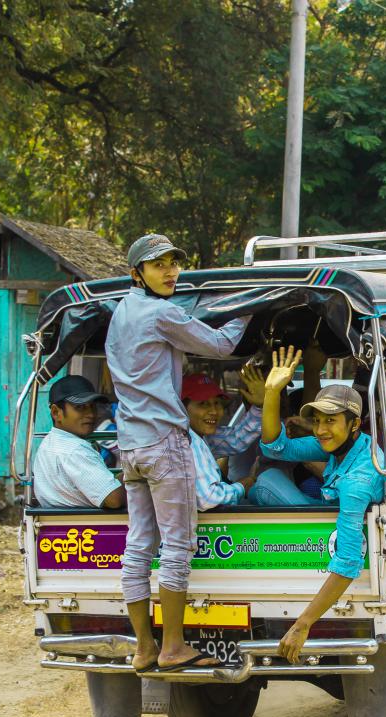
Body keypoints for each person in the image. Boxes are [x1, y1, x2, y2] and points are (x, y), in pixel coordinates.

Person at [105, 233, 249, 674]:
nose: (170, 272)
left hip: (131, 446)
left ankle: (144, 648)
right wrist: (249, 305)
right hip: (165, 443)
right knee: (178, 546)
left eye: (173, 262)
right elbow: (221, 345)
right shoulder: (161, 312)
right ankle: (172, 647)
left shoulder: (120, 312)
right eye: (159, 265)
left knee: (138, 547)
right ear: (137, 273)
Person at [250, 347, 386, 663]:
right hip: (328, 518)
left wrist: (303, 623)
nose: (321, 430)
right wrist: (271, 392)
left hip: (336, 537)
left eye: (331, 421)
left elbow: (348, 560)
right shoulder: (343, 444)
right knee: (269, 475)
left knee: (265, 483)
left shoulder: (358, 481)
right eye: (318, 421)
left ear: (355, 424)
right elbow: (275, 447)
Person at [32, 375, 125, 509]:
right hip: (84, 521)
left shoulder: (49, 443)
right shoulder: (74, 449)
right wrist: (136, 474)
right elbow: (113, 499)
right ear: (56, 412)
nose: (91, 414)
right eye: (80, 407)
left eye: (92, 407)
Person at [181, 368, 267, 510]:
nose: (214, 411)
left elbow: (236, 439)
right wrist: (242, 486)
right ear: (182, 409)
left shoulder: (202, 436)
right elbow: (210, 498)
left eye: (217, 403)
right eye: (203, 404)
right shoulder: (188, 441)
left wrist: (260, 405)